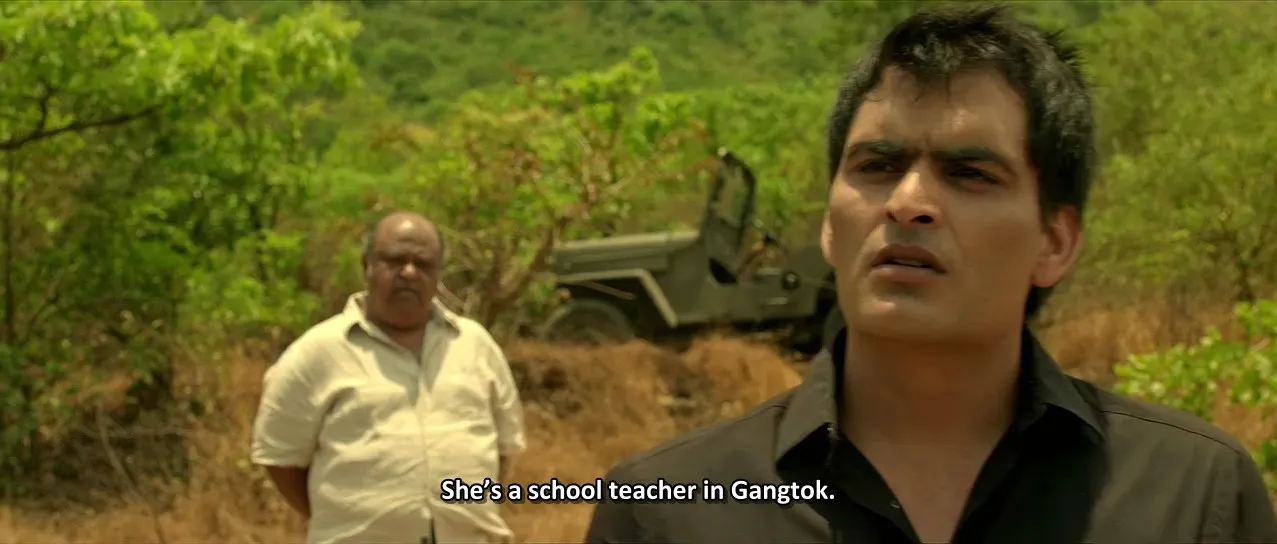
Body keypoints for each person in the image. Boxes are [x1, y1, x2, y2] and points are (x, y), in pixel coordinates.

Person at [584, 5, 1277, 544]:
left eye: (969, 173)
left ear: (1054, 241)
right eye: (877, 166)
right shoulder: (666, 511)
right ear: (828, 227)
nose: (908, 201)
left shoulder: (1193, 497)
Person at [251, 211, 527, 544]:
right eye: (395, 261)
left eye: (423, 264)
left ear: (438, 275)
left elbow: (504, 449)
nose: (409, 272)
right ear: (366, 265)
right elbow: (280, 460)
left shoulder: (475, 344)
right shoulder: (316, 353)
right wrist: (353, 518)